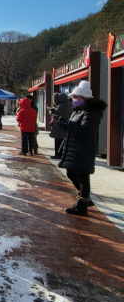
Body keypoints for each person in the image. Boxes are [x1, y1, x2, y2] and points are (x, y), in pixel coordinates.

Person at [57, 81, 106, 216]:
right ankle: (84, 199)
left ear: (84, 98)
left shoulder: (92, 112)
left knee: (82, 175)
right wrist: (63, 123)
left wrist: (68, 123)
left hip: (83, 148)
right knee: (71, 173)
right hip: (74, 147)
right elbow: (73, 127)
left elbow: (85, 130)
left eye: (75, 98)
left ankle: (83, 203)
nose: (73, 100)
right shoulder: (79, 110)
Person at [49, 92, 72, 159]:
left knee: (58, 141)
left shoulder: (61, 106)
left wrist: (51, 111)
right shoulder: (69, 105)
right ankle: (61, 154)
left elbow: (56, 114)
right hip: (65, 124)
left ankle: (58, 154)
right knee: (62, 141)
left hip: (59, 125)